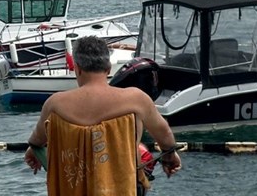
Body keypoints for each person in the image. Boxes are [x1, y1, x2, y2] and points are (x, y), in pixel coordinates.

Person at [25, 35, 181, 178]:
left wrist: (33, 150)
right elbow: (164, 133)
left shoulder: (55, 103)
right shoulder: (136, 99)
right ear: (108, 69)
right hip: (122, 192)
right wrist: (169, 156)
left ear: (77, 69)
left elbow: (37, 139)